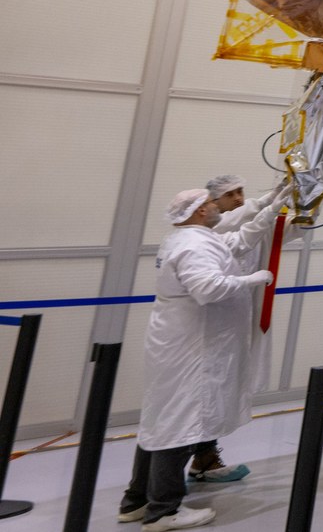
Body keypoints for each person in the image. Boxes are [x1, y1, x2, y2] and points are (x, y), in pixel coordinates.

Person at [117, 189, 276, 530]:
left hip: (179, 345)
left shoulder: (191, 238)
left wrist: (270, 208)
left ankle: (137, 501)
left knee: (160, 424)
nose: (218, 207)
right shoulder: (193, 245)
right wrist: (252, 279)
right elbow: (209, 288)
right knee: (179, 427)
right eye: (213, 203)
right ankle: (164, 511)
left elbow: (236, 242)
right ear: (202, 210)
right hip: (191, 350)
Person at [175, 174, 285, 485]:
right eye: (228, 195)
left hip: (228, 327)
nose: (237, 199)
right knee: (196, 402)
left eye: (241, 192)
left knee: (216, 395)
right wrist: (266, 203)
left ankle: (205, 458)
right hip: (202, 332)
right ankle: (162, 488)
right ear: (205, 207)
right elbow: (238, 234)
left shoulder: (215, 233)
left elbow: (250, 234)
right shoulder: (202, 236)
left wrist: (308, 202)